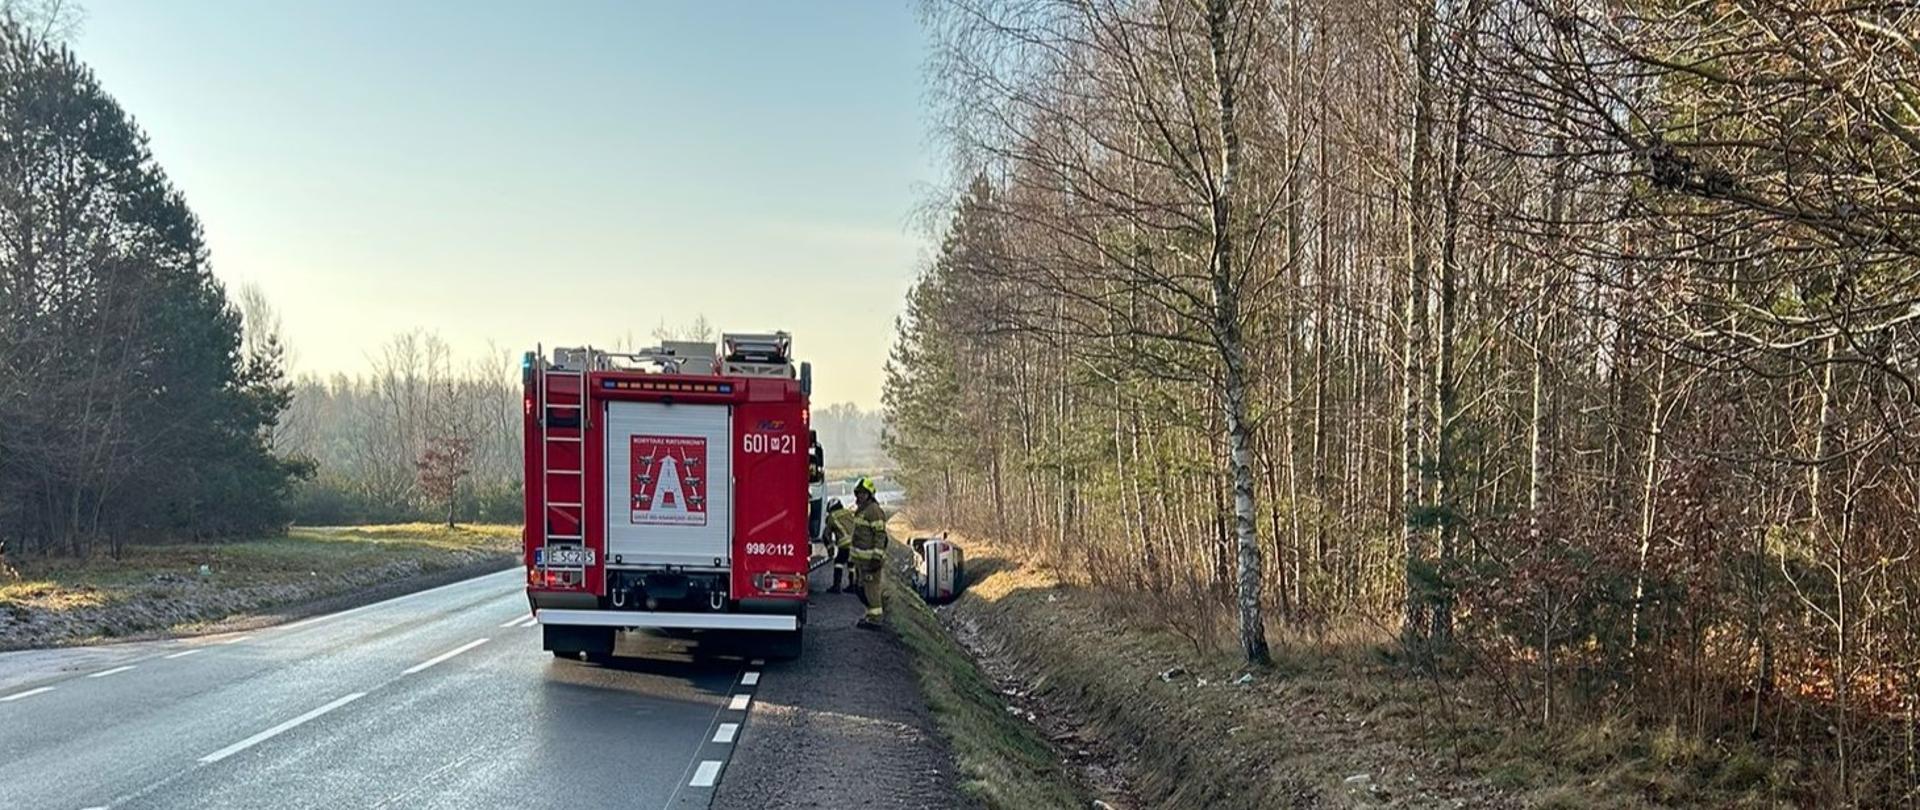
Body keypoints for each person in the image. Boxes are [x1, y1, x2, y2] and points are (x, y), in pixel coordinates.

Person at [847, 476, 890, 630]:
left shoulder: (874, 511)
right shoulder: (861, 510)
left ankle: (875, 620)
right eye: (858, 493)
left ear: (869, 494)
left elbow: (880, 536)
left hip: (871, 562)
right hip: (861, 562)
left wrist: (876, 558)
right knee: (860, 589)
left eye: (863, 493)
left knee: (871, 591)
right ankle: (870, 615)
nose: (859, 496)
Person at [822, 498, 855, 593]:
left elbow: (826, 534)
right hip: (856, 542)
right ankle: (852, 586)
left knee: (838, 562)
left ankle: (836, 586)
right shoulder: (848, 512)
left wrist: (829, 548)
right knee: (851, 564)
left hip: (845, 543)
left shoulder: (832, 516)